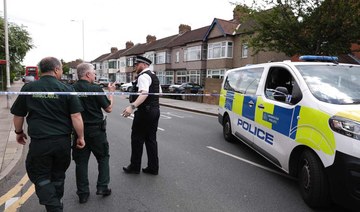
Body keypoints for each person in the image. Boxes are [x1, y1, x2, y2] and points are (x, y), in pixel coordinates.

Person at [10, 57, 85, 212]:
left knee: (40, 175)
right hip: (62, 142)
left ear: (41, 70)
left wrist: (19, 132)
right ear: (56, 69)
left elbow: (18, 115)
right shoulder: (67, 90)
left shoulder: (29, 88)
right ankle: (56, 203)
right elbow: (76, 116)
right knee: (58, 175)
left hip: (40, 143)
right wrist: (81, 137)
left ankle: (54, 207)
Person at [72, 63, 115, 204]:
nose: (95, 75)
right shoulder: (95, 89)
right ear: (88, 74)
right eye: (94, 73)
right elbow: (108, 108)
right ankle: (102, 187)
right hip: (96, 131)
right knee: (103, 157)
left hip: (78, 131)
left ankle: (83, 194)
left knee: (81, 162)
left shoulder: (71, 89)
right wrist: (111, 93)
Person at [122, 55, 161, 175]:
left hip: (144, 112)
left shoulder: (143, 76)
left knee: (137, 139)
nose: (135, 66)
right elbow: (159, 93)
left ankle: (135, 166)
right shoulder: (154, 76)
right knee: (151, 140)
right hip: (155, 110)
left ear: (144, 65)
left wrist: (132, 106)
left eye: (137, 64)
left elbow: (144, 94)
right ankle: (153, 167)